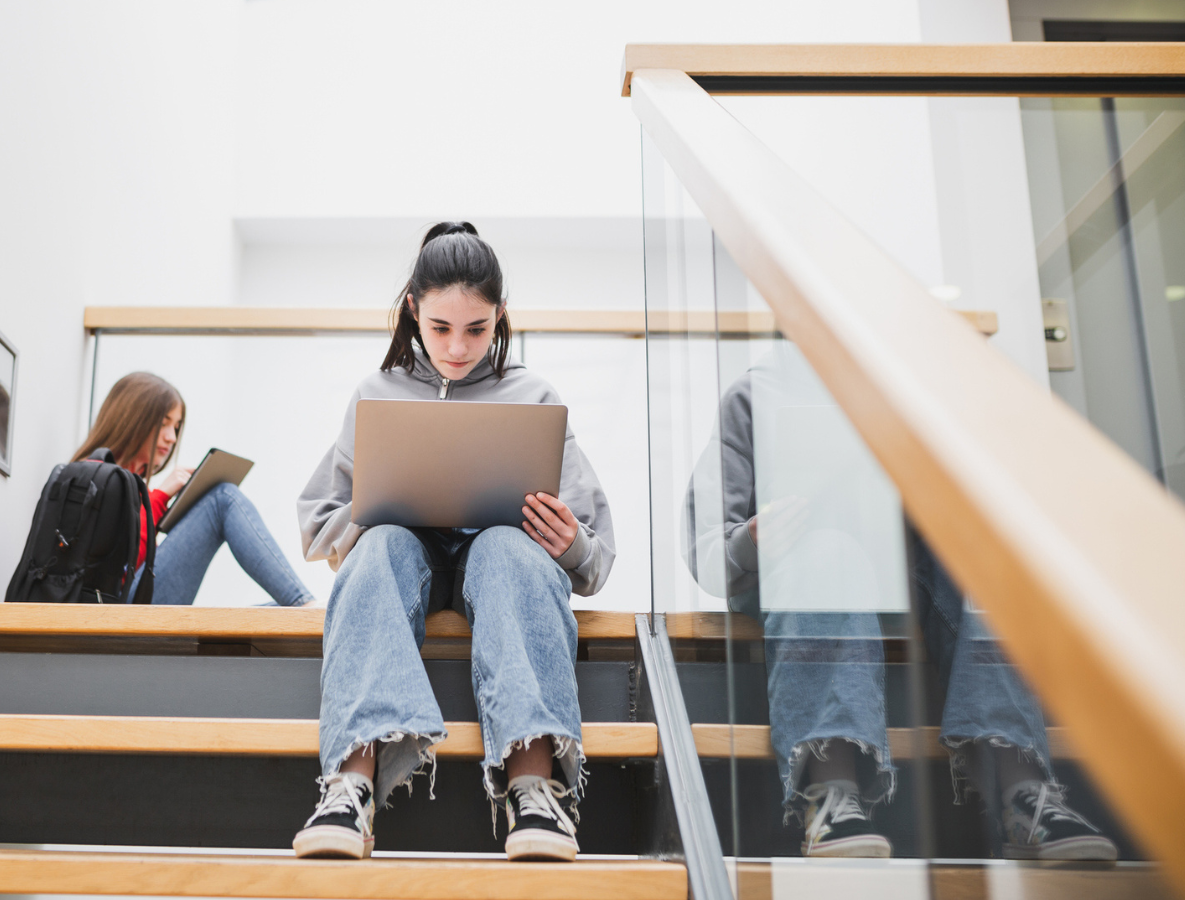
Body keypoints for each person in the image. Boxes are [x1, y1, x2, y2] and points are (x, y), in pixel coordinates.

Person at [686, 351, 1116, 861]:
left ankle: (1025, 795)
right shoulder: (756, 393)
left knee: (984, 556)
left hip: (905, 572)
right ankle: (830, 793)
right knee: (831, 554)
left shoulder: (925, 387)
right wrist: (753, 538)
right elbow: (706, 547)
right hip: (804, 569)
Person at [291, 222, 616, 863]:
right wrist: (376, 510)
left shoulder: (534, 396)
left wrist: (569, 543)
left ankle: (534, 789)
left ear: (501, 316)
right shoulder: (376, 394)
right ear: (413, 310)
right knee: (381, 547)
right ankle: (349, 788)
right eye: (440, 328)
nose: (458, 348)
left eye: (477, 329)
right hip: (401, 561)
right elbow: (318, 523)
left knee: (507, 549)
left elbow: (596, 557)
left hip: (499, 566)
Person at [75, 372, 314, 608]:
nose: (171, 437)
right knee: (223, 498)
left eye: (176, 427)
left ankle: (305, 608)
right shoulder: (93, 476)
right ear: (131, 420)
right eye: (163, 424)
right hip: (115, 609)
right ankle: (304, 604)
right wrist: (159, 498)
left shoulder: (128, 482)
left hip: (130, 603)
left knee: (282, 615)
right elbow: (116, 563)